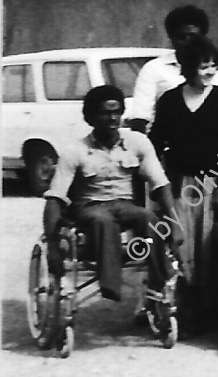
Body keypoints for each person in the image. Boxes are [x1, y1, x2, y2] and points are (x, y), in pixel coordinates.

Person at [44, 84, 181, 305]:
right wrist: (52, 246)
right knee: (103, 219)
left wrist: (174, 223)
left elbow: (160, 184)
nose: (112, 118)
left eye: (117, 112)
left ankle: (159, 283)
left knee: (149, 218)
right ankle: (110, 285)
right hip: (89, 207)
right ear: (90, 118)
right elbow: (55, 199)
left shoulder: (137, 142)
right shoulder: (75, 151)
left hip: (125, 204)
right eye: (105, 113)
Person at [150, 36, 218, 325]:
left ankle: (210, 311)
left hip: (212, 185)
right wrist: (159, 180)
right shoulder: (169, 100)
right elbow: (156, 142)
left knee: (208, 248)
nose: (209, 72)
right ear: (189, 67)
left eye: (214, 66)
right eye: (203, 66)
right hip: (179, 184)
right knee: (180, 245)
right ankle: (181, 309)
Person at [125, 4, 218, 129]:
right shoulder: (153, 69)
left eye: (192, 36)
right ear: (171, 38)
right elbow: (140, 118)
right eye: (181, 37)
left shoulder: (214, 70)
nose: (187, 42)